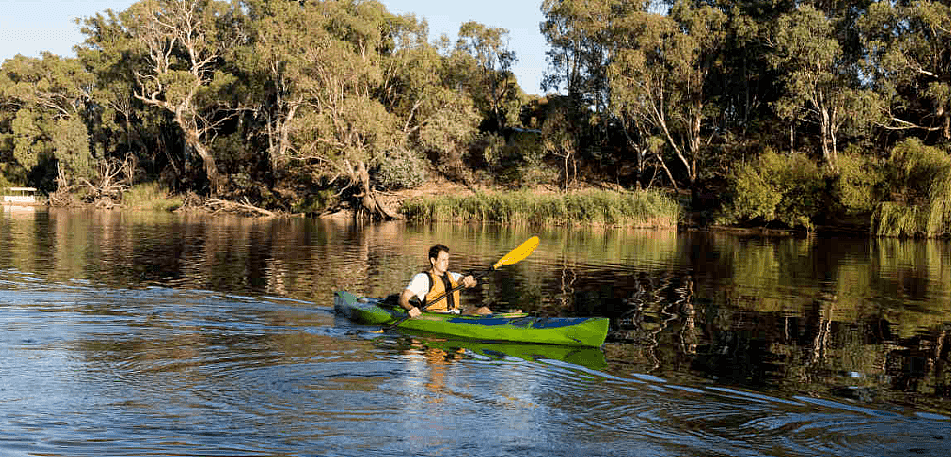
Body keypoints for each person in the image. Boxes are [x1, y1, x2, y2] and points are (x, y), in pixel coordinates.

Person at [398, 244, 492, 317]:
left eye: (448, 260)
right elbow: (403, 298)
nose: (447, 263)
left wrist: (470, 280)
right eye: (443, 260)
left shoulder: (452, 276)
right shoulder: (422, 279)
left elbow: (471, 283)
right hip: (435, 317)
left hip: (454, 314)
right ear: (433, 261)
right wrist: (411, 308)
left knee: (484, 310)